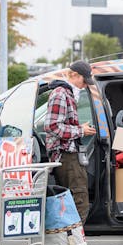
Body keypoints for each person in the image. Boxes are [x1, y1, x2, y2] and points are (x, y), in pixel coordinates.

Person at [44, 60, 97, 222]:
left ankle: (72, 240)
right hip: (66, 155)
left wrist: (79, 127)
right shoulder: (61, 94)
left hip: (66, 153)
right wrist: (81, 130)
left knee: (74, 197)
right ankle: (76, 241)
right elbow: (52, 126)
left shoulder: (66, 93)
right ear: (74, 75)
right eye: (84, 81)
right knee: (78, 198)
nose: (85, 85)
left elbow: (58, 125)